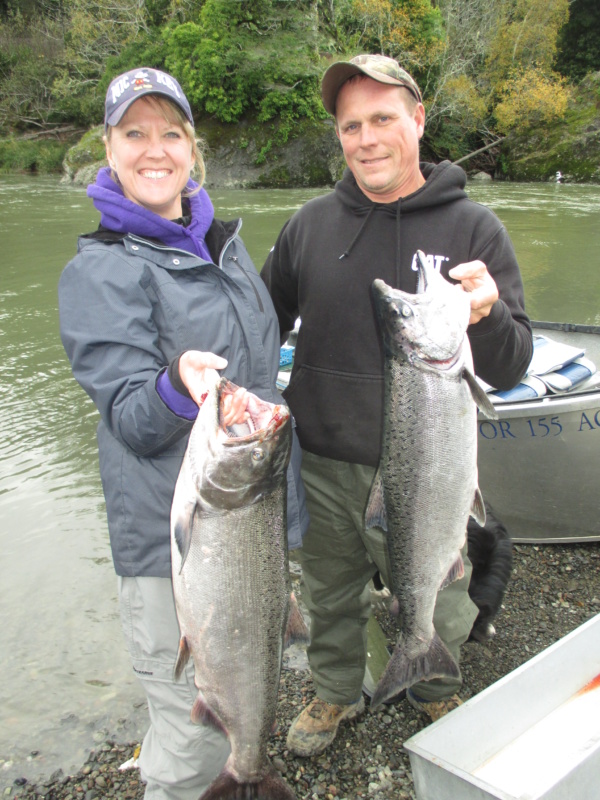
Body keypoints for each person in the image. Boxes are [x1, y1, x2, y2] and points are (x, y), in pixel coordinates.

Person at [261, 54, 533, 757]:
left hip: (431, 468)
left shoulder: (474, 230)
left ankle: (432, 684)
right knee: (329, 590)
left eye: (383, 118)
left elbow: (510, 367)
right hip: (323, 458)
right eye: (351, 125)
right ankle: (334, 689)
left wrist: (490, 315)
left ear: (417, 119)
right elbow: (257, 323)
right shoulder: (308, 226)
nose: (366, 138)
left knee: (439, 586)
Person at [58, 67, 307, 800]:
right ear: (109, 148)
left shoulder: (220, 247)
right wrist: (176, 383)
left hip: (251, 526)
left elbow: (260, 368)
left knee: (248, 702)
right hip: (177, 551)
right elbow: (133, 417)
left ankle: (250, 773)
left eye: (171, 132)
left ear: (193, 149)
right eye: (134, 132)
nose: (154, 149)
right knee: (193, 742)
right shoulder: (98, 270)